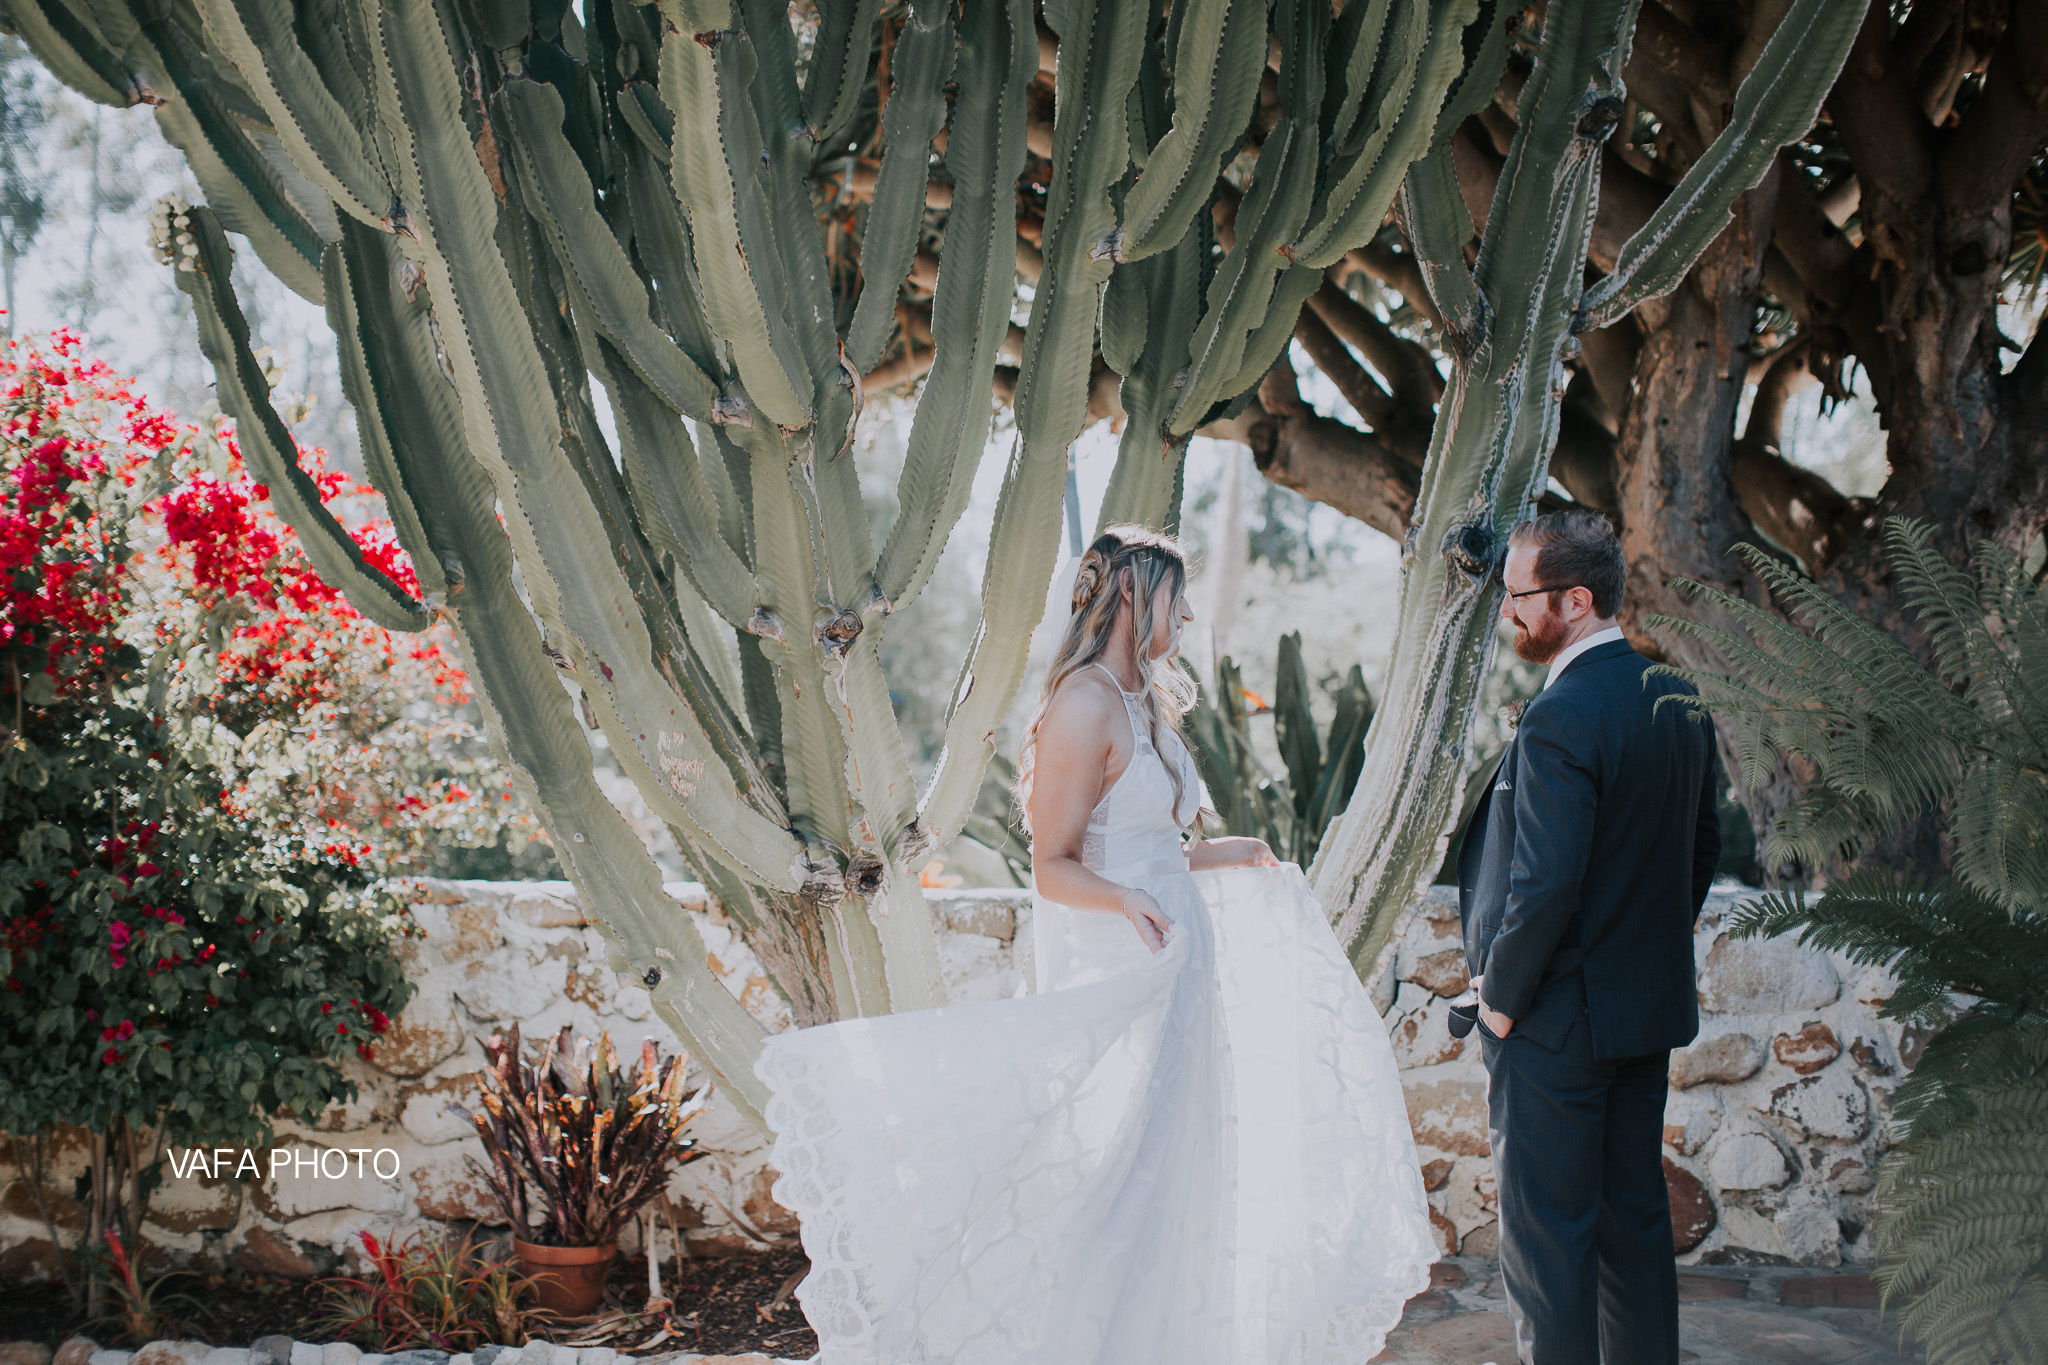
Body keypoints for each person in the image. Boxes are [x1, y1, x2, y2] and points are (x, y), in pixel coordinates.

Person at [756, 525, 1436, 1365]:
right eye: (1173, 595)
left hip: (1180, 972)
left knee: (1177, 1178)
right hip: (1122, 972)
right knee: (1117, 1184)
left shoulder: (1143, 699)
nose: (1186, 612)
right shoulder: (1081, 702)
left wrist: (1225, 853)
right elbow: (1054, 865)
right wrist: (1128, 900)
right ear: (1129, 595)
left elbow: (1151, 841)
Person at [1448, 509, 1721, 1364]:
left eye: (1521, 596)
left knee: (1547, 1247)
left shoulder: (1564, 711)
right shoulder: (1676, 698)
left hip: (1552, 1023)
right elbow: (1699, 852)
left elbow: (1546, 880)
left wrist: (1499, 999)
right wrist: (1639, 952)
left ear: (1574, 597)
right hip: (1640, 1011)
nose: (1508, 612)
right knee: (1634, 1226)